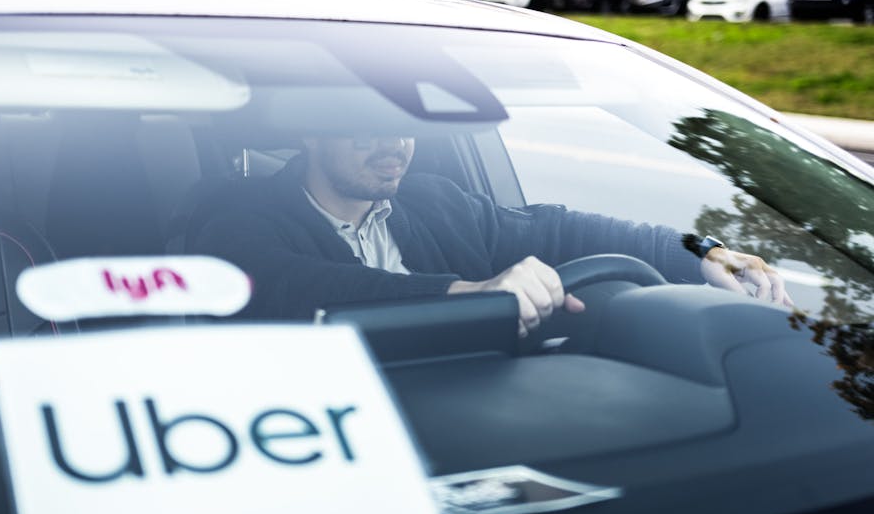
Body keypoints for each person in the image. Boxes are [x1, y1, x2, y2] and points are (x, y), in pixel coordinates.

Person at [194, 136, 791, 333]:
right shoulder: (232, 220)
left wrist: (699, 252)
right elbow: (291, 286)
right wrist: (469, 294)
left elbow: (558, 228)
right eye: (367, 123)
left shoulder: (435, 200)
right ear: (310, 129)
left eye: (405, 125)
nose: (395, 145)